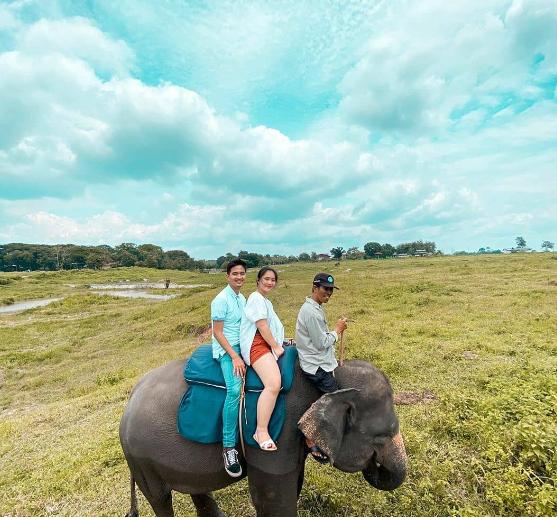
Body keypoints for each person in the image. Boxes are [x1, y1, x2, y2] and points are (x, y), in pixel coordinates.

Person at [295, 272, 347, 461]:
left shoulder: (315, 307)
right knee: (336, 399)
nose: (329, 293)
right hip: (315, 365)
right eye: (325, 288)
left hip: (319, 360)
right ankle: (309, 436)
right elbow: (321, 343)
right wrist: (337, 331)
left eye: (331, 289)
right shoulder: (311, 312)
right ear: (314, 288)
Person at [240, 267, 285, 451]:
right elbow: (261, 324)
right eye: (266, 279)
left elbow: (271, 326)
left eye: (273, 280)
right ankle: (261, 431)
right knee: (273, 383)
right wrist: (275, 346)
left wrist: (283, 340)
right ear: (258, 280)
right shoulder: (256, 298)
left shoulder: (265, 301)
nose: (269, 282)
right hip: (256, 345)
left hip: (264, 342)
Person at [211, 259, 247, 477]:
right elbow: (217, 332)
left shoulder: (241, 298)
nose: (239, 277)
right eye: (235, 274)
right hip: (228, 350)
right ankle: (228, 447)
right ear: (227, 276)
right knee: (234, 390)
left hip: (242, 345)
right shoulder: (221, 299)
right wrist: (234, 356)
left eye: (242, 273)